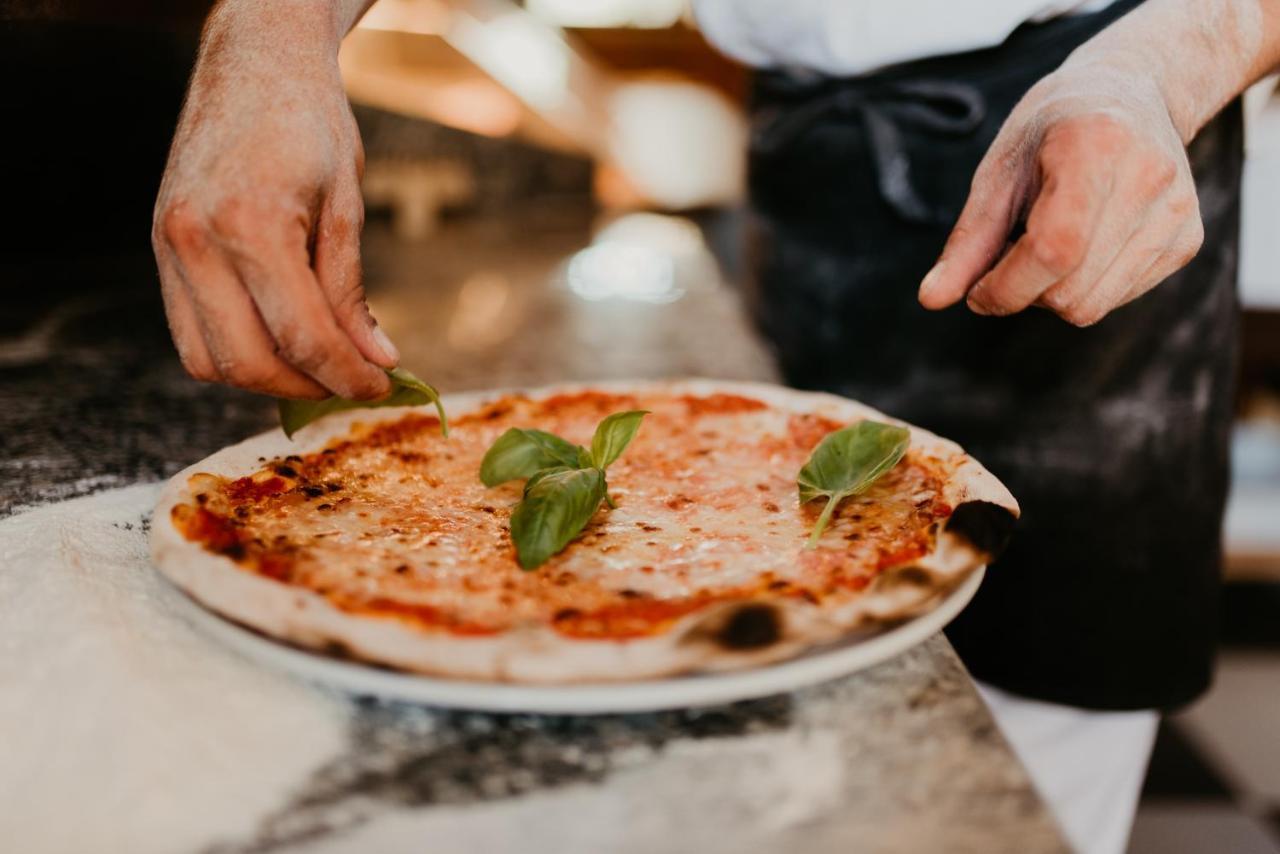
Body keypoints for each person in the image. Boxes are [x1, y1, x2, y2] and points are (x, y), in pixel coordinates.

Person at [151, 1, 1280, 851]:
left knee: (1015, 783)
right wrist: (269, 41)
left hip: (1106, 117)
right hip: (801, 148)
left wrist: (1157, 69)